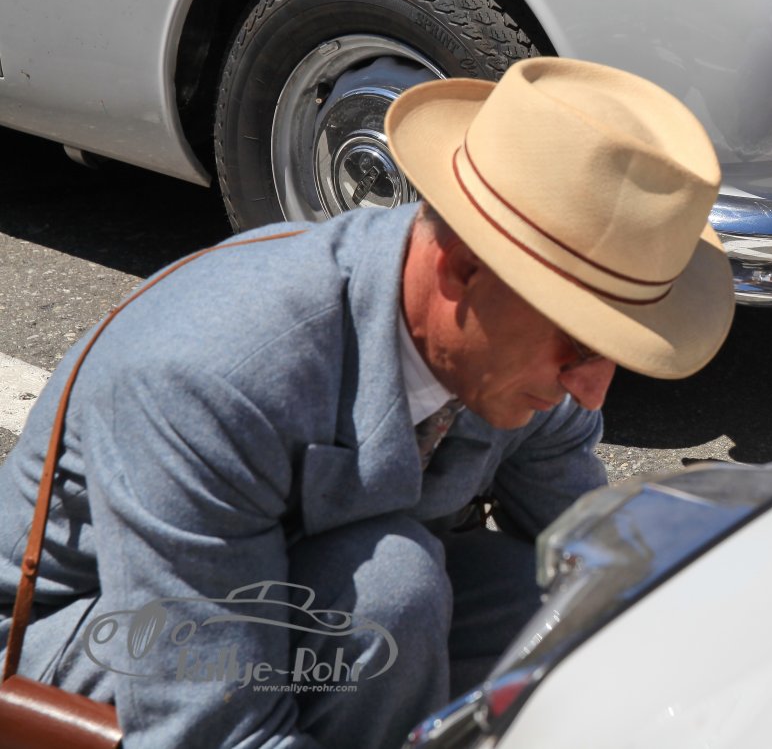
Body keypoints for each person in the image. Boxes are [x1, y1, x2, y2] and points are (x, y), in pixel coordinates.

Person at [0, 58, 734, 748]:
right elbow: (214, 730)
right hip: (95, 624)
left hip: (297, 585)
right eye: (577, 342)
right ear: (462, 269)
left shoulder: (523, 358)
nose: (590, 388)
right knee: (386, 595)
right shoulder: (205, 378)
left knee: (558, 610)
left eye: (614, 352)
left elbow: (603, 569)